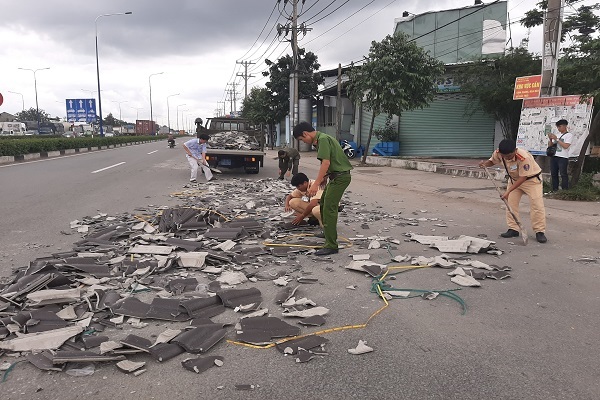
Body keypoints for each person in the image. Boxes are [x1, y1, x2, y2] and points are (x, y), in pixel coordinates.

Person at [293, 121, 352, 255]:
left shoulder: (323, 140)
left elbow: (326, 162)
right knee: (324, 203)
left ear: (305, 134)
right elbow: (329, 162)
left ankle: (331, 245)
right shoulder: (322, 139)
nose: (304, 142)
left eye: (302, 139)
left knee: (329, 209)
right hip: (335, 176)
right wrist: (325, 177)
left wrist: (315, 183)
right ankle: (327, 233)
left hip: (340, 177)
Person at [479, 139, 547, 243]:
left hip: (531, 180)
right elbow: (492, 161)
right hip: (514, 179)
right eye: (505, 156)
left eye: (509, 156)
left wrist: (507, 192)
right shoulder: (499, 153)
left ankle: (539, 231)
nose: (507, 158)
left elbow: (523, 178)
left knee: (537, 205)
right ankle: (513, 229)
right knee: (510, 204)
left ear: (515, 150)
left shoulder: (524, 157)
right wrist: (484, 164)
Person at [548, 119, 572, 191]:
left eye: (560, 126)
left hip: (563, 157)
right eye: (557, 127)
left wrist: (557, 139)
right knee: (554, 174)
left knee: (563, 174)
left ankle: (565, 190)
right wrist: (550, 139)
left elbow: (566, 146)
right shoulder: (557, 135)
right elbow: (550, 146)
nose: (558, 128)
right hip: (554, 156)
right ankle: (555, 189)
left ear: (565, 126)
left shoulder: (569, 135)